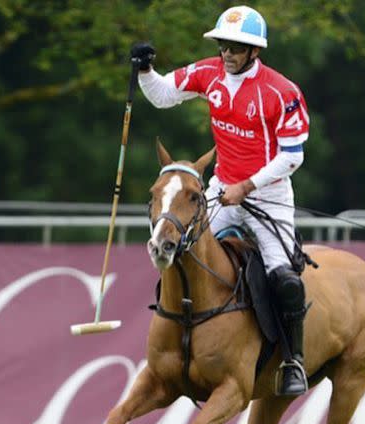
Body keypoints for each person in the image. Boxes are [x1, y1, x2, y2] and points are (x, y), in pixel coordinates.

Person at [131, 5, 311, 396]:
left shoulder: (282, 91)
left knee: (284, 278)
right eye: (223, 45)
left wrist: (247, 186)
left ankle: (293, 361)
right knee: (180, 252)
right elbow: (162, 96)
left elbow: (292, 155)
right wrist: (146, 71)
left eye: (236, 47)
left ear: (254, 52)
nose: (227, 53)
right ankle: (179, 341)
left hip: (270, 197)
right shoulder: (208, 72)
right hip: (219, 190)